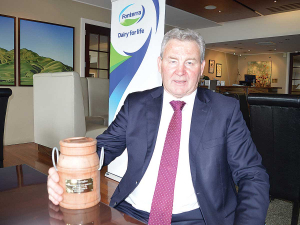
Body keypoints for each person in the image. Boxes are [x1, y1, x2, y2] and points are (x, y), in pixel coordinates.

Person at [47, 28, 269, 225]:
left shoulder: (225, 110)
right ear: (160, 64)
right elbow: (103, 147)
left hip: (196, 217)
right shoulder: (136, 104)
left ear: (201, 68)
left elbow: (252, 175)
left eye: (190, 62)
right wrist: (66, 171)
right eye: (172, 60)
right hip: (130, 212)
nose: (180, 71)